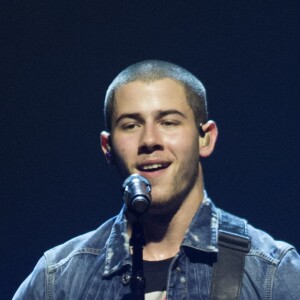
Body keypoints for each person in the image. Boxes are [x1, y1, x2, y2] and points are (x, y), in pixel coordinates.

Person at [13, 60, 300, 299]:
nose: (150, 140)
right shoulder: (57, 278)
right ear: (107, 148)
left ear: (205, 138)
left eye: (169, 122)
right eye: (131, 125)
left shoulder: (271, 271)